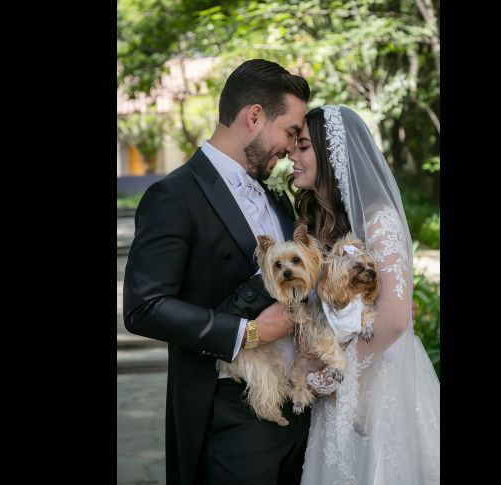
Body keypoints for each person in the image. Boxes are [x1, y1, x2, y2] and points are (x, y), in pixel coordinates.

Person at [123, 59, 311, 485]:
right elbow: (144, 306)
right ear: (255, 117)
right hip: (232, 409)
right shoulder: (173, 195)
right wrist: (248, 333)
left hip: (300, 408)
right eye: (291, 132)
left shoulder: (277, 197)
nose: (292, 146)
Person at [289, 105, 440, 484]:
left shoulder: (378, 219)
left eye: (303, 146)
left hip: (379, 380)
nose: (292, 154)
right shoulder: (321, 223)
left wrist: (332, 376)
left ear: (328, 154)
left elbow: (394, 317)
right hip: (337, 386)